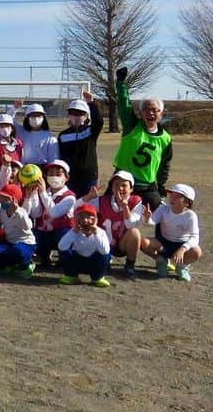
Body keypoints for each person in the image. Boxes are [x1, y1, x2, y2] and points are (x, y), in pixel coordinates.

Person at [112, 66, 171, 210]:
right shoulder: (132, 125)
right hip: (122, 181)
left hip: (146, 185)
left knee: (161, 214)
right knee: (109, 211)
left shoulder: (166, 138)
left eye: (155, 110)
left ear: (161, 114)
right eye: (147, 109)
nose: (151, 113)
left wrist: (161, 184)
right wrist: (120, 84)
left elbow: (164, 164)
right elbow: (124, 105)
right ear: (141, 112)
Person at [86, 170, 144, 279]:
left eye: (124, 185)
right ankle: (105, 260)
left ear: (131, 189)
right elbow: (80, 209)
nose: (120, 188)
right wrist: (89, 197)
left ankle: (130, 265)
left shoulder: (136, 201)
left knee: (135, 232)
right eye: (116, 185)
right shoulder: (102, 200)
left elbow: (131, 225)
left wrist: (125, 207)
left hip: (123, 243)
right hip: (105, 242)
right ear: (112, 187)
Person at [143, 184, 201, 282]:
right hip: (163, 243)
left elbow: (195, 237)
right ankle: (161, 260)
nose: (172, 199)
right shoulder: (163, 209)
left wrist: (182, 249)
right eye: (172, 195)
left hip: (181, 244)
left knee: (197, 251)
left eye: (178, 197)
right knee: (143, 242)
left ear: (187, 203)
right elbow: (152, 222)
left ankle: (181, 267)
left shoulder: (191, 216)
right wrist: (148, 218)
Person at [26, 160, 76, 267]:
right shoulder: (44, 192)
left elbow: (54, 213)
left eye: (58, 174)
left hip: (60, 232)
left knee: (63, 235)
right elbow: (36, 214)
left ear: (66, 178)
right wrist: (34, 194)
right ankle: (43, 257)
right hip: (45, 232)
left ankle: (64, 259)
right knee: (33, 235)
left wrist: (43, 193)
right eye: (50, 174)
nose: (54, 177)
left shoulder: (70, 197)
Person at [0, 184, 37, 279]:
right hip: (10, 243)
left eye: (5, 198)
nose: (2, 200)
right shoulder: (2, 210)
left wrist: (17, 213)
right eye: (1, 197)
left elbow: (28, 226)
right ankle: (11, 265)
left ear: (13, 200)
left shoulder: (21, 212)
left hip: (26, 243)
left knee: (18, 251)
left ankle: (28, 264)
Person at [57, 92, 103, 197]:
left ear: (86, 115)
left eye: (80, 113)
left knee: (89, 206)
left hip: (89, 177)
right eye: (73, 113)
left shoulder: (90, 131)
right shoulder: (63, 135)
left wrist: (91, 102)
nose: (76, 116)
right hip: (70, 177)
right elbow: (60, 156)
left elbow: (99, 121)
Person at [58, 204, 112, 287]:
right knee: (66, 252)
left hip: (95, 263)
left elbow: (105, 251)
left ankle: (97, 278)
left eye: (89, 217)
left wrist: (96, 233)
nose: (85, 221)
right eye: (81, 218)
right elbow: (61, 247)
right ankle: (71, 276)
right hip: (78, 261)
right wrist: (73, 232)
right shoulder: (73, 231)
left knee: (105, 256)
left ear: (95, 220)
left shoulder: (101, 232)